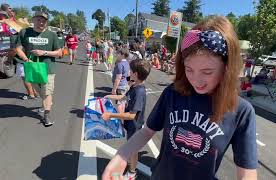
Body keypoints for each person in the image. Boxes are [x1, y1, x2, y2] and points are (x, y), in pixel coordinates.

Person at [102, 16, 257, 180]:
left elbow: (247, 171)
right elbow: (147, 130)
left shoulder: (241, 111)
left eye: (207, 72)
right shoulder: (173, 93)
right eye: (189, 69)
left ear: (227, 68)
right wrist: (122, 155)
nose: (196, 80)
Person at [102, 59, 151, 180]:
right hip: (130, 126)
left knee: (133, 151)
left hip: (135, 126)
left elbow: (131, 115)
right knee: (131, 150)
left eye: (130, 70)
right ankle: (131, 167)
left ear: (135, 74)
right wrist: (109, 96)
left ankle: (132, 172)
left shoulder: (139, 92)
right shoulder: (134, 86)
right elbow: (124, 97)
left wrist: (111, 115)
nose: (128, 72)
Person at [16, 11, 62, 126]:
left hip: (48, 68)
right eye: (38, 19)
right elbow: (18, 48)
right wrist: (26, 59)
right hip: (32, 67)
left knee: (47, 92)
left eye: (44, 20)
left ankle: (46, 115)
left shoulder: (52, 35)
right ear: (33, 19)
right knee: (40, 91)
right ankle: (47, 102)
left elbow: (59, 53)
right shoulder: (24, 32)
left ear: (46, 22)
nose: (41, 22)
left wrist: (44, 52)